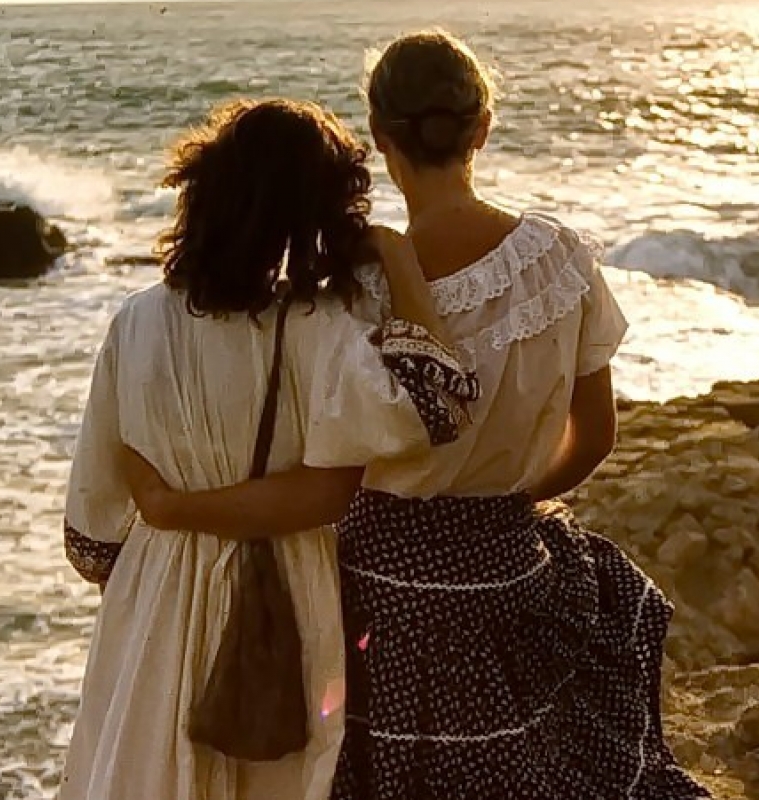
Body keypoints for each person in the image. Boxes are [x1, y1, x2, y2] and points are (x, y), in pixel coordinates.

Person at [124, 31, 710, 800]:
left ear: (378, 135)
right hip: (509, 565)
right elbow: (594, 437)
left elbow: (319, 475)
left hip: (378, 590)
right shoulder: (563, 260)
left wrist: (172, 507)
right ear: (483, 127)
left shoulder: (351, 287)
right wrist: (512, 502)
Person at [59, 97, 477, 800]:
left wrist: (166, 527)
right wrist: (396, 257)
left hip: (155, 590)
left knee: (141, 769)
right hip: (283, 586)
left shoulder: (135, 322)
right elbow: (439, 404)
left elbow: (93, 533)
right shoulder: (321, 328)